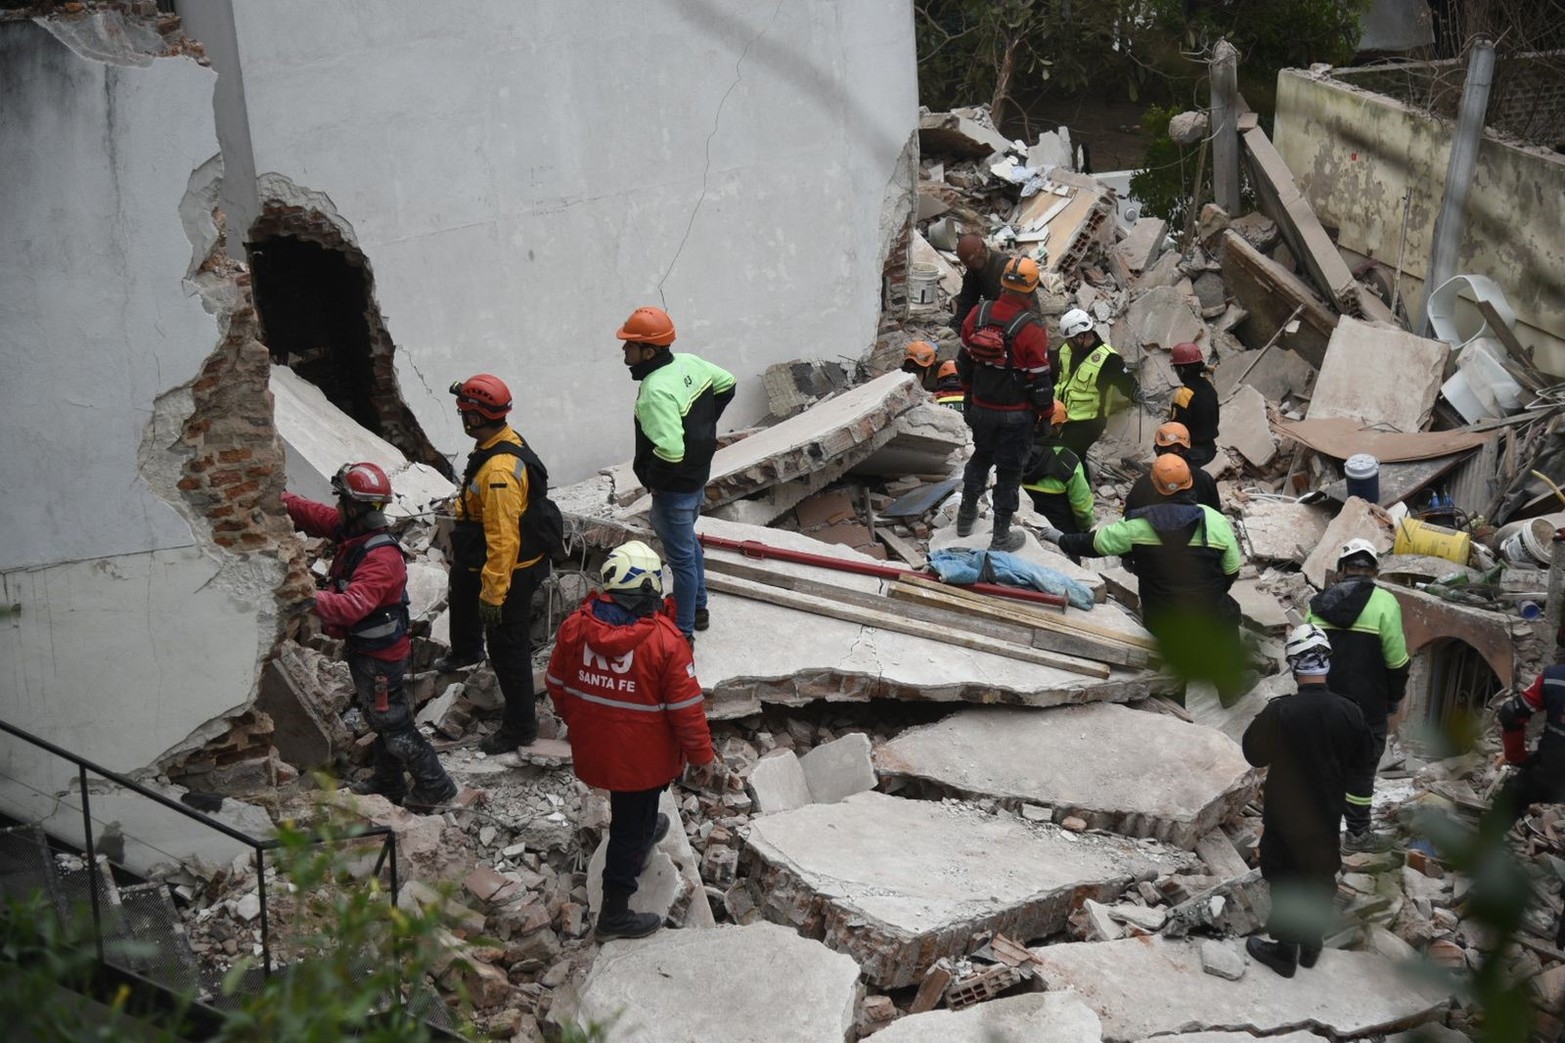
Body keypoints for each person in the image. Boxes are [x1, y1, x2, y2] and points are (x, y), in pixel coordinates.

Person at [546, 540, 718, 940]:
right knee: (627, 827)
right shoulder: (664, 641)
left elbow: (556, 685)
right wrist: (703, 756)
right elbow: (687, 710)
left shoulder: (576, 627)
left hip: (597, 748)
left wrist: (585, 722)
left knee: (636, 811)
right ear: (645, 586)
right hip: (644, 760)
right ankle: (614, 915)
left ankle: (643, 833)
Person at [283, 463, 457, 813]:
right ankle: (388, 780)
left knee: (393, 723)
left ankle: (436, 786)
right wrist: (279, 499)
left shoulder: (381, 558)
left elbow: (350, 606)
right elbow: (316, 515)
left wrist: (301, 595)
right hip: (370, 650)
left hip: (381, 658)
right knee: (380, 720)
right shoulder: (356, 531)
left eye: (341, 503)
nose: (336, 510)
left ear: (353, 506)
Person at [1042, 454, 1248, 703]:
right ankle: (1230, 689)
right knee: (1228, 618)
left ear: (1154, 485)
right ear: (1190, 483)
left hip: (1162, 613)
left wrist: (1060, 538)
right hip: (1209, 609)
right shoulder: (1214, 520)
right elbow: (1231, 571)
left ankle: (1174, 704)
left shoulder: (1135, 524)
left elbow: (1094, 544)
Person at [1242, 624, 1377, 978]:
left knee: (1285, 876)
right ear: (1327, 664)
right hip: (1327, 814)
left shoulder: (1282, 712)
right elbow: (1363, 764)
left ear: (1293, 665)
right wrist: (1359, 818)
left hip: (1286, 816)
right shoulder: (1351, 712)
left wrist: (1267, 717)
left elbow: (1253, 753)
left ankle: (1285, 951)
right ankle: (1312, 944)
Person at [441, 373, 554, 754]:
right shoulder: (503, 440)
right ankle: (465, 650)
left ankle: (520, 727)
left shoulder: (500, 472)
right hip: (484, 556)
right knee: (460, 588)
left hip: (511, 570)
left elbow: (503, 541)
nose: (462, 419)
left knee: (509, 650)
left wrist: (494, 594)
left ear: (474, 417)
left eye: (463, 413)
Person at [616, 306, 737, 643]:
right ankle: (698, 607)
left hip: (674, 491)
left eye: (629, 345)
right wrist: (702, 429)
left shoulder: (654, 391)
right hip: (697, 478)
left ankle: (684, 633)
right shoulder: (688, 362)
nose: (623, 350)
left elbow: (670, 451)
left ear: (649, 351)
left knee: (681, 560)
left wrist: (655, 483)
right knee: (689, 549)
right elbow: (727, 383)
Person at [1305, 539, 1409, 852]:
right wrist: (1394, 697)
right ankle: (1357, 834)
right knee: (1362, 770)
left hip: (1324, 703)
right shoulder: (1385, 603)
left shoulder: (1318, 604)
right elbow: (1397, 660)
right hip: (1368, 706)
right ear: (1374, 571)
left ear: (1341, 570)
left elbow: (1304, 657)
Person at [955, 256, 1053, 552]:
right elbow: (1040, 382)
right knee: (1009, 472)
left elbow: (963, 362)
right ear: (1033, 289)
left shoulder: (978, 313)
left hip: (982, 407)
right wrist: (1046, 415)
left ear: (1002, 283)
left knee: (981, 457)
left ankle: (964, 517)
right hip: (1015, 416)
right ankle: (1001, 536)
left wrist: (970, 397)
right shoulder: (1031, 328)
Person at [1054, 308, 1139, 479]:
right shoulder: (1066, 350)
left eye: (1070, 340)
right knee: (1056, 450)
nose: (1067, 344)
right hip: (1061, 415)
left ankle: (1081, 491)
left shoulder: (1108, 359)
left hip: (1089, 421)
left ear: (1081, 337)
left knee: (1073, 455)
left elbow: (1127, 384)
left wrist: (1136, 395)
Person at [1496, 646, 1565, 823]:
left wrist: (1517, 757)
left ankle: (1485, 846)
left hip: (1551, 773)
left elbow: (1512, 713)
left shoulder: (1554, 678)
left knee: (1512, 796)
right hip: (1552, 771)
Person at [1021, 402, 1094, 534]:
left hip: (1021, 520)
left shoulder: (1013, 451)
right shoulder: (1068, 460)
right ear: (1057, 427)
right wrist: (1085, 529)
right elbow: (1082, 508)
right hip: (1059, 528)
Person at [1124, 421, 1220, 514]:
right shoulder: (1204, 479)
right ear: (1187, 448)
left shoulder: (1144, 483)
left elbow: (1128, 518)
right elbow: (1216, 516)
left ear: (1157, 450)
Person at [1168, 341, 1220, 468]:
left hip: (1193, 452)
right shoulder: (1208, 385)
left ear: (1182, 369)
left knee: (1162, 441)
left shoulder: (1184, 394)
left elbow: (1177, 429)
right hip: (1210, 448)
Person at [948, 233, 1011, 333]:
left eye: (972, 264)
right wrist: (956, 327)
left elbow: (1014, 304)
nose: (970, 268)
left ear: (982, 253)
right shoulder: (973, 271)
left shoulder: (1004, 267)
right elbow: (967, 301)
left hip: (1014, 315)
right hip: (995, 311)